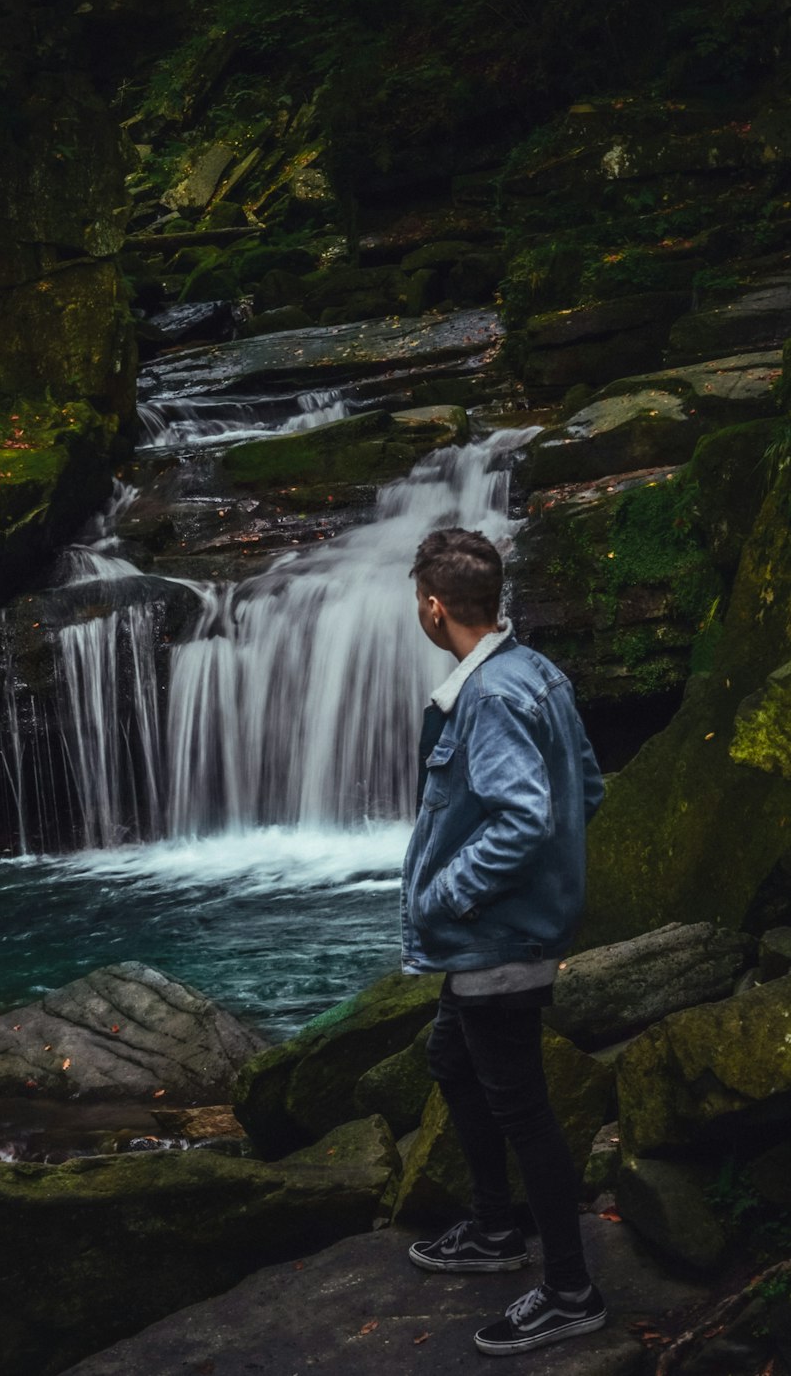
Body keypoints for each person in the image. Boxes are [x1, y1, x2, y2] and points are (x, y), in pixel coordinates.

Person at [401, 526, 607, 1357]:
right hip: (510, 931)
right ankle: (493, 1229)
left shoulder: (487, 697)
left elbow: (525, 817)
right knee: (451, 1062)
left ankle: (570, 1290)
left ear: (435, 605)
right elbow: (585, 787)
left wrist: (449, 894)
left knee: (523, 1109)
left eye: (420, 602)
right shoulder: (537, 673)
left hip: (498, 941)